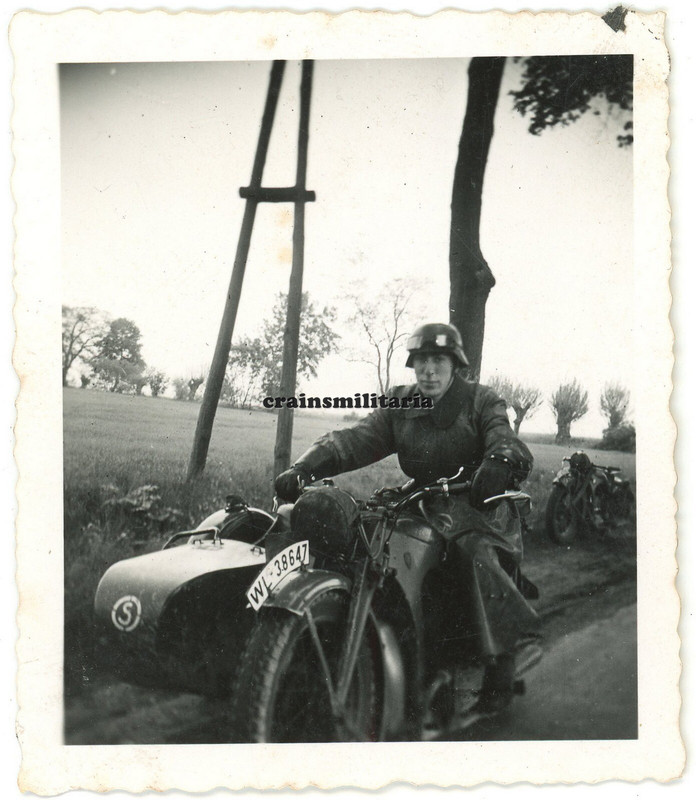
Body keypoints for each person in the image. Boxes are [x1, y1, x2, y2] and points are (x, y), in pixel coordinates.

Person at [274, 322, 539, 714]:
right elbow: (356, 439)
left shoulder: (482, 401)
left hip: (480, 508)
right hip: (423, 501)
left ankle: (499, 659)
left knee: (471, 556)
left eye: (438, 361)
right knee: (376, 546)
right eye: (421, 362)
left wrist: (498, 462)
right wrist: (306, 466)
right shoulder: (402, 403)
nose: (429, 371)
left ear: (455, 364)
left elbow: (504, 437)